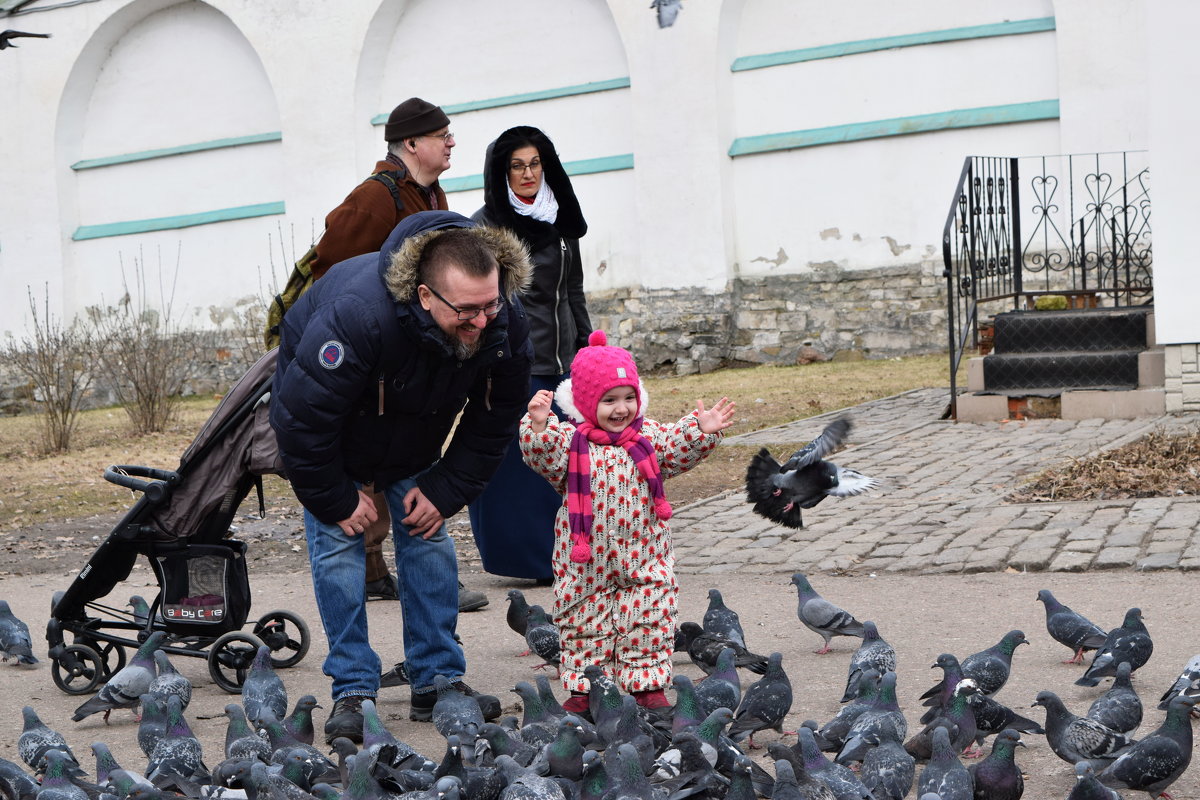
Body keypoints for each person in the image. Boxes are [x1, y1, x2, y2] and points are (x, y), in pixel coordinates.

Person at [270, 210, 534, 743]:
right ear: (424, 295)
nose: (483, 322)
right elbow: (301, 420)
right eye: (467, 310)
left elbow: (496, 417)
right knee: (339, 545)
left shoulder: (502, 318)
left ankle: (436, 678)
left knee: (428, 534)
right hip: (337, 440)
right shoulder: (357, 315)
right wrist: (338, 497)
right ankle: (352, 688)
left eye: (491, 304)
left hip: (413, 434)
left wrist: (444, 487)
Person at [302, 96, 488, 614]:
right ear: (411, 144)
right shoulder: (373, 198)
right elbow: (331, 279)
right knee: (361, 470)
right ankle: (371, 575)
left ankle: (400, 577)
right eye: (442, 135)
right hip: (366, 361)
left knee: (403, 469)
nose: (451, 142)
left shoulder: (428, 193)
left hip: (413, 364)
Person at [518, 330, 735, 713]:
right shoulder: (570, 444)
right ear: (585, 402)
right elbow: (542, 455)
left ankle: (646, 683)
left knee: (649, 616)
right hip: (585, 560)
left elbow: (676, 446)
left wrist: (700, 431)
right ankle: (587, 688)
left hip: (644, 555)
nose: (621, 409)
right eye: (609, 400)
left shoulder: (647, 438)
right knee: (582, 620)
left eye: (629, 397)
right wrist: (538, 426)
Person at [468, 126, 591, 582]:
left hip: (563, 366)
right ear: (502, 171)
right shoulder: (487, 226)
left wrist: (586, 345)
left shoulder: (562, 219)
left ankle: (574, 552)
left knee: (568, 464)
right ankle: (531, 560)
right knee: (519, 469)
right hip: (515, 362)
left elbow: (572, 290)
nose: (527, 174)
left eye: (535, 163)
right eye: (517, 166)